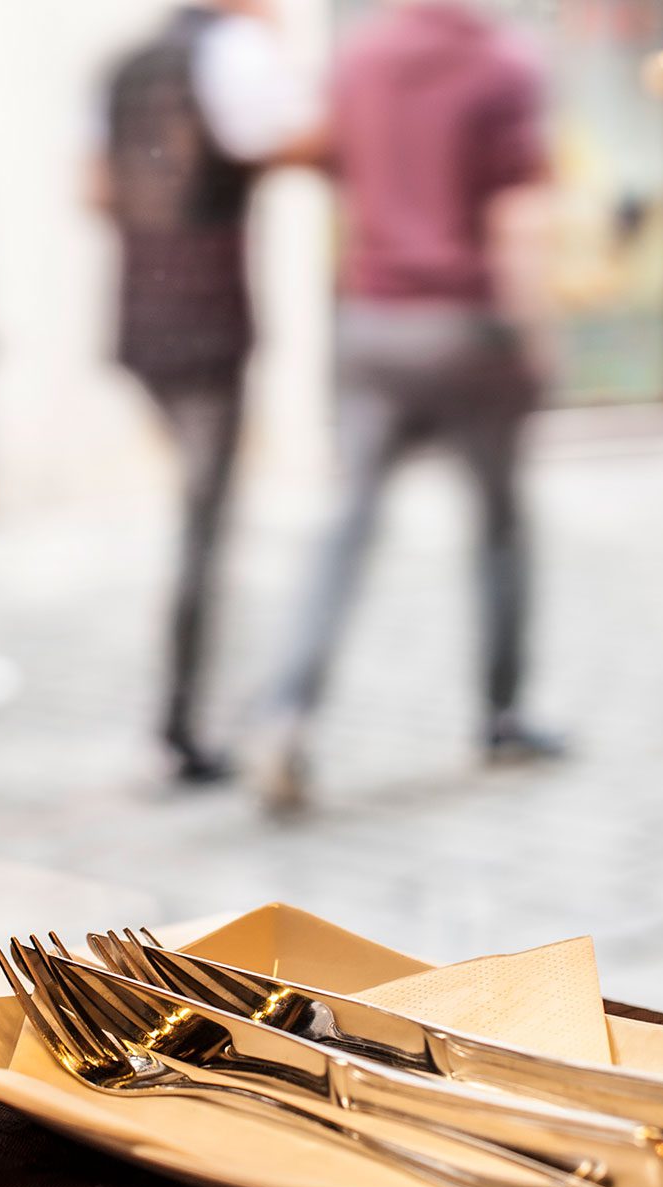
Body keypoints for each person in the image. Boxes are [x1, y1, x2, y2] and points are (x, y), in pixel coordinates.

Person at [258, 0, 561, 813]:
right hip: (468, 327)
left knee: (347, 527)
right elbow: (517, 216)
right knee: (499, 525)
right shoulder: (507, 62)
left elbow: (316, 152)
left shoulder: (359, 57)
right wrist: (535, 338)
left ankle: (287, 716)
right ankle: (502, 715)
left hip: (373, 323)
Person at [98, 0, 320, 783]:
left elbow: (93, 189)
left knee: (199, 522)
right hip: (206, 322)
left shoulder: (123, 64)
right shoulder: (234, 50)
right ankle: (181, 724)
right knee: (204, 528)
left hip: (141, 314)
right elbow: (293, 141)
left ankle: (185, 713)